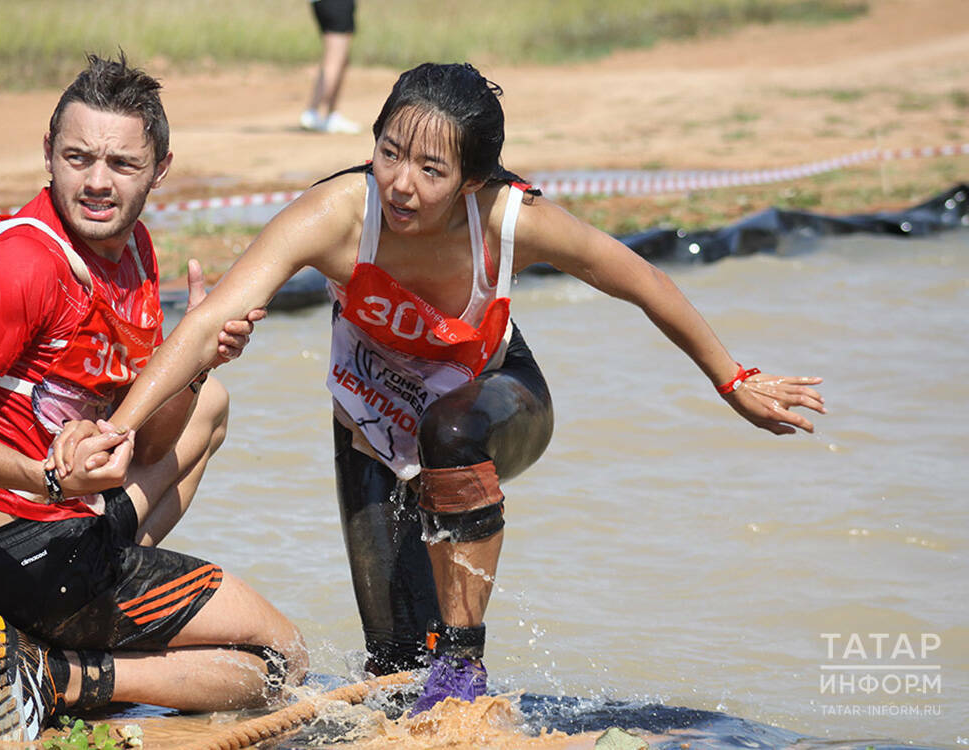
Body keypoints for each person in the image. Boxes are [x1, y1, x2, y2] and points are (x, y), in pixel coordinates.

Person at [54, 62, 825, 714]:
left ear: (472, 179)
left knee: (450, 439)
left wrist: (733, 378)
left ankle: (467, 662)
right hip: (369, 412)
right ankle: (427, 688)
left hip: (496, 398)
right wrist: (117, 427)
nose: (402, 185)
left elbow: (641, 280)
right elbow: (210, 317)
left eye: (431, 170)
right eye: (390, 154)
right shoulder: (334, 214)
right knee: (393, 663)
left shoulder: (507, 217)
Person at [0, 54, 307, 742]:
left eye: (121, 164)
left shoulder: (135, 250)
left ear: (161, 168)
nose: (97, 183)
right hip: (13, 555)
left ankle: (62, 646)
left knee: (211, 402)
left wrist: (196, 363)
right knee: (279, 661)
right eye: (77, 158)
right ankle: (62, 678)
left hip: (59, 537)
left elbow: (160, 442)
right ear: (47, 156)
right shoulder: (23, 263)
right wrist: (45, 477)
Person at [299, 0, 360, 134]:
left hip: (322, 4)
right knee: (335, 58)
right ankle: (320, 112)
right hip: (337, 4)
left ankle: (325, 113)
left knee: (337, 58)